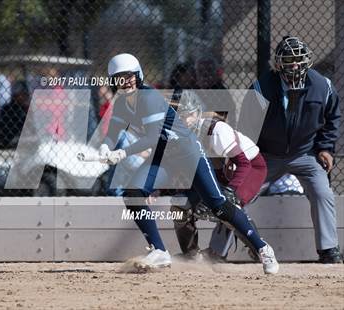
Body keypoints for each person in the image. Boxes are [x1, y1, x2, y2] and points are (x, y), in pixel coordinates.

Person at [99, 53, 279, 274]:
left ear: (138, 76)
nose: (125, 82)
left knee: (219, 205)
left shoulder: (149, 97)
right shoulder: (121, 105)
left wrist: (122, 153)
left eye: (128, 76)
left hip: (188, 153)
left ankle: (262, 248)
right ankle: (159, 251)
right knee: (133, 193)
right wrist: (105, 147)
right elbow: (113, 132)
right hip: (165, 156)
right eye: (119, 78)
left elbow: (152, 137)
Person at [239, 36, 342, 263]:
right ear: (278, 64)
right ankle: (217, 251)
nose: (294, 65)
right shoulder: (261, 87)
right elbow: (246, 125)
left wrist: (325, 148)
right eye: (288, 60)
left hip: (304, 153)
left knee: (322, 192)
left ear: (307, 62)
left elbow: (332, 119)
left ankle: (328, 250)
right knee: (236, 196)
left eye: (298, 60)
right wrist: (247, 156)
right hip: (267, 155)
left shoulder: (322, 86)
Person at [170, 91, 267, 262]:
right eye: (177, 117)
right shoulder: (179, 137)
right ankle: (191, 255)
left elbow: (244, 163)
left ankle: (258, 248)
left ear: (197, 113)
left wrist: (231, 191)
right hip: (222, 170)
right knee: (180, 205)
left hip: (250, 168)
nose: (183, 121)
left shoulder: (215, 130)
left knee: (228, 206)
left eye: (187, 115)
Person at [0, 81, 30, 148]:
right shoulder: (8, 109)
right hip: (13, 139)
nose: (25, 97)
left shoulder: (25, 108)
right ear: (15, 95)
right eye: (22, 94)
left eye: (26, 94)